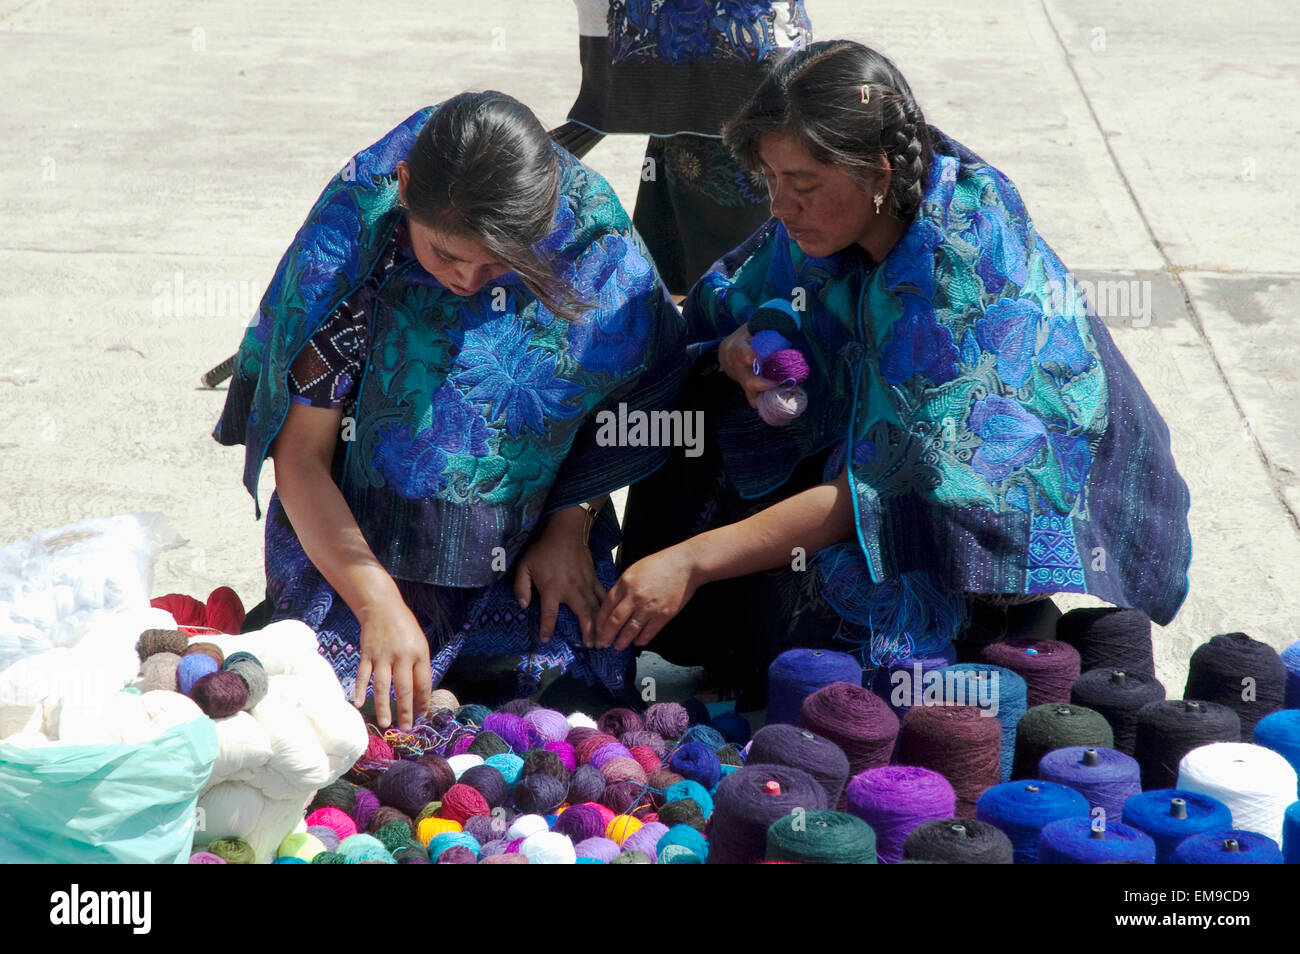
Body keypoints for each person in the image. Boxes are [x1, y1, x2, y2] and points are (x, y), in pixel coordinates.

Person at [601, 41, 1193, 703]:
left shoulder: (965, 264)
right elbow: (718, 308)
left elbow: (888, 487)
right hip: (880, 460)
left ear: (879, 173)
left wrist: (695, 560)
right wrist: (734, 350)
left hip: (981, 497)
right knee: (698, 392)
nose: (778, 207)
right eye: (769, 180)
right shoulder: (821, 220)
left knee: (846, 652)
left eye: (800, 186)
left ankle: (1005, 613)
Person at [213, 92, 687, 728]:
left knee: (575, 693)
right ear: (407, 188)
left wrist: (570, 524)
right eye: (446, 254)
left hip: (529, 533)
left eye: (497, 264)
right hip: (365, 542)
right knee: (339, 703)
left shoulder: (590, 248)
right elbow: (301, 458)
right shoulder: (353, 256)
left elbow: (635, 387)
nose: (467, 280)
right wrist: (378, 602)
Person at [553, 0, 814, 296]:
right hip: (697, 61)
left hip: (739, 48)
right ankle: (714, 301)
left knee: (747, 147)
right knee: (688, 125)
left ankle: (735, 298)